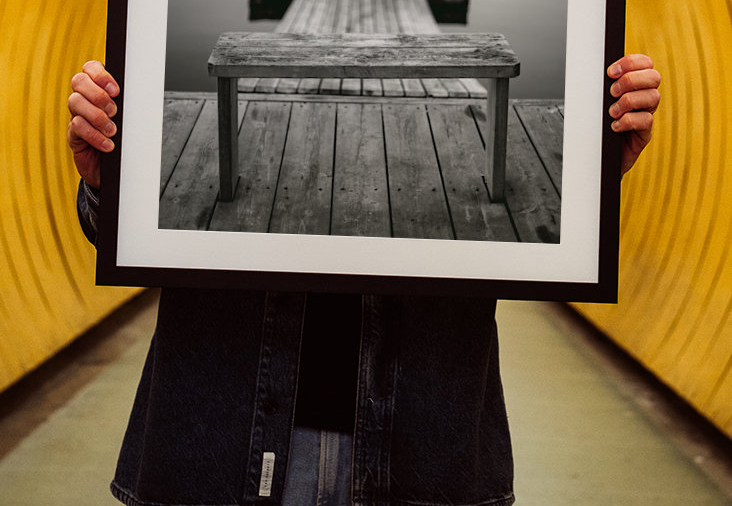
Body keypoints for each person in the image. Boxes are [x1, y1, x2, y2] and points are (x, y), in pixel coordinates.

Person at [68, 54, 661, 506]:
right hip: (220, 442)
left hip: (421, 450)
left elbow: (540, 229)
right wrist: (108, 183)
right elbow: (122, 234)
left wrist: (590, 176)